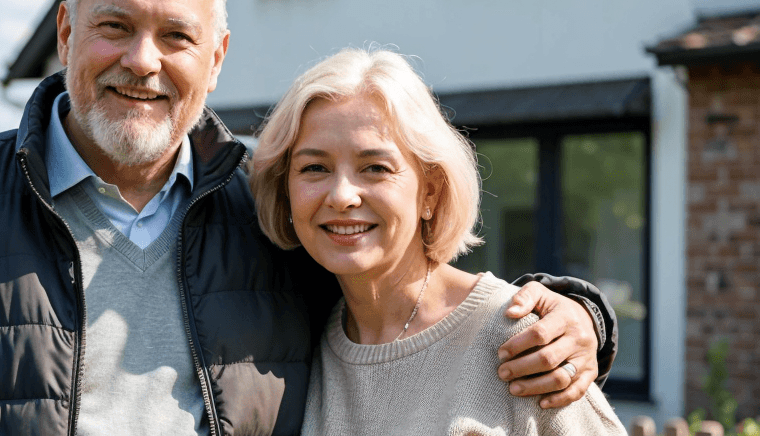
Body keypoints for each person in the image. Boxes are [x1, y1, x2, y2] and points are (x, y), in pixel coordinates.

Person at [0, 0, 615, 436]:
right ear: (66, 33)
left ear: (215, 59)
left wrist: (574, 313)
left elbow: (401, 284)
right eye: (115, 26)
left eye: (176, 36)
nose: (142, 62)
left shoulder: (272, 202)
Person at [250, 48, 627, 435]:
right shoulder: (295, 348)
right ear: (286, 190)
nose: (342, 195)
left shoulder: (524, 341)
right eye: (315, 167)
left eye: (375, 168)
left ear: (430, 192)